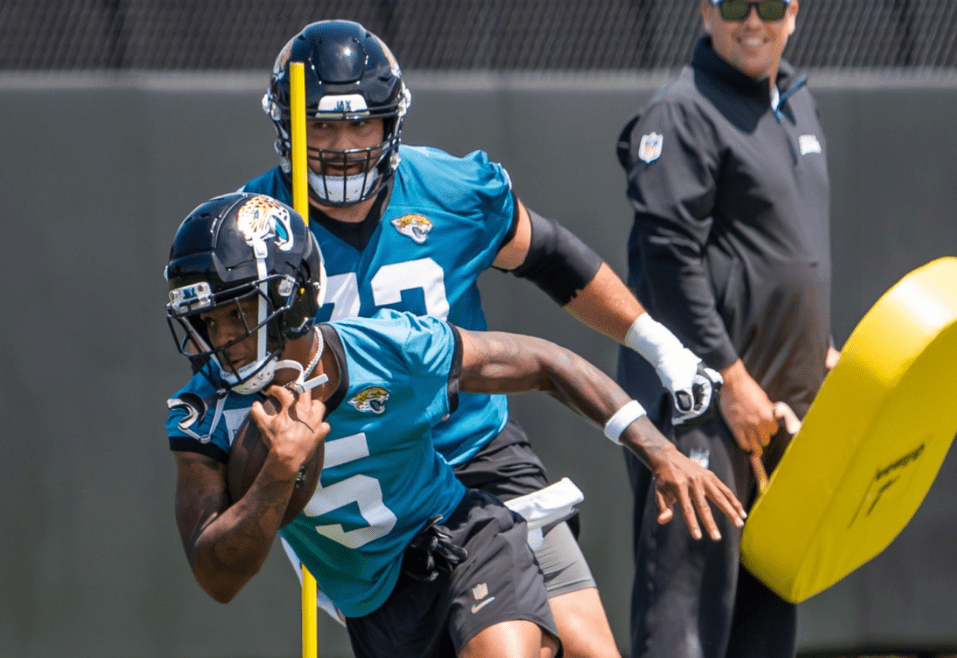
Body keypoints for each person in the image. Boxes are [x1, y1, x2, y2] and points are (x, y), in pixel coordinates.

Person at [224, 19, 722, 658]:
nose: (343, 146)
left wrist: (657, 343)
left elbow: (553, 259)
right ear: (288, 125)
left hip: (474, 450)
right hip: (364, 488)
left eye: (360, 125)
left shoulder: (451, 190)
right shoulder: (254, 228)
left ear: (391, 125)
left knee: (588, 650)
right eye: (321, 126)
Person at [164, 192, 747, 658]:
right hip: (377, 606)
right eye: (203, 322)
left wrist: (657, 450)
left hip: (461, 538)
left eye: (234, 315)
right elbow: (218, 577)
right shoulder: (203, 416)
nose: (220, 341)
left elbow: (544, 363)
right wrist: (276, 477)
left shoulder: (393, 350)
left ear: (290, 299)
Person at [614, 1, 842, 657]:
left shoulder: (797, 100)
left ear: (793, 13)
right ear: (705, 12)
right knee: (684, 624)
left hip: (777, 414)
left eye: (769, 4)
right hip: (703, 411)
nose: (753, 19)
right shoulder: (681, 111)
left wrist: (815, 345)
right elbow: (668, 258)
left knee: (767, 622)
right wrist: (730, 382)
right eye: (733, 3)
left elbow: (785, 251)